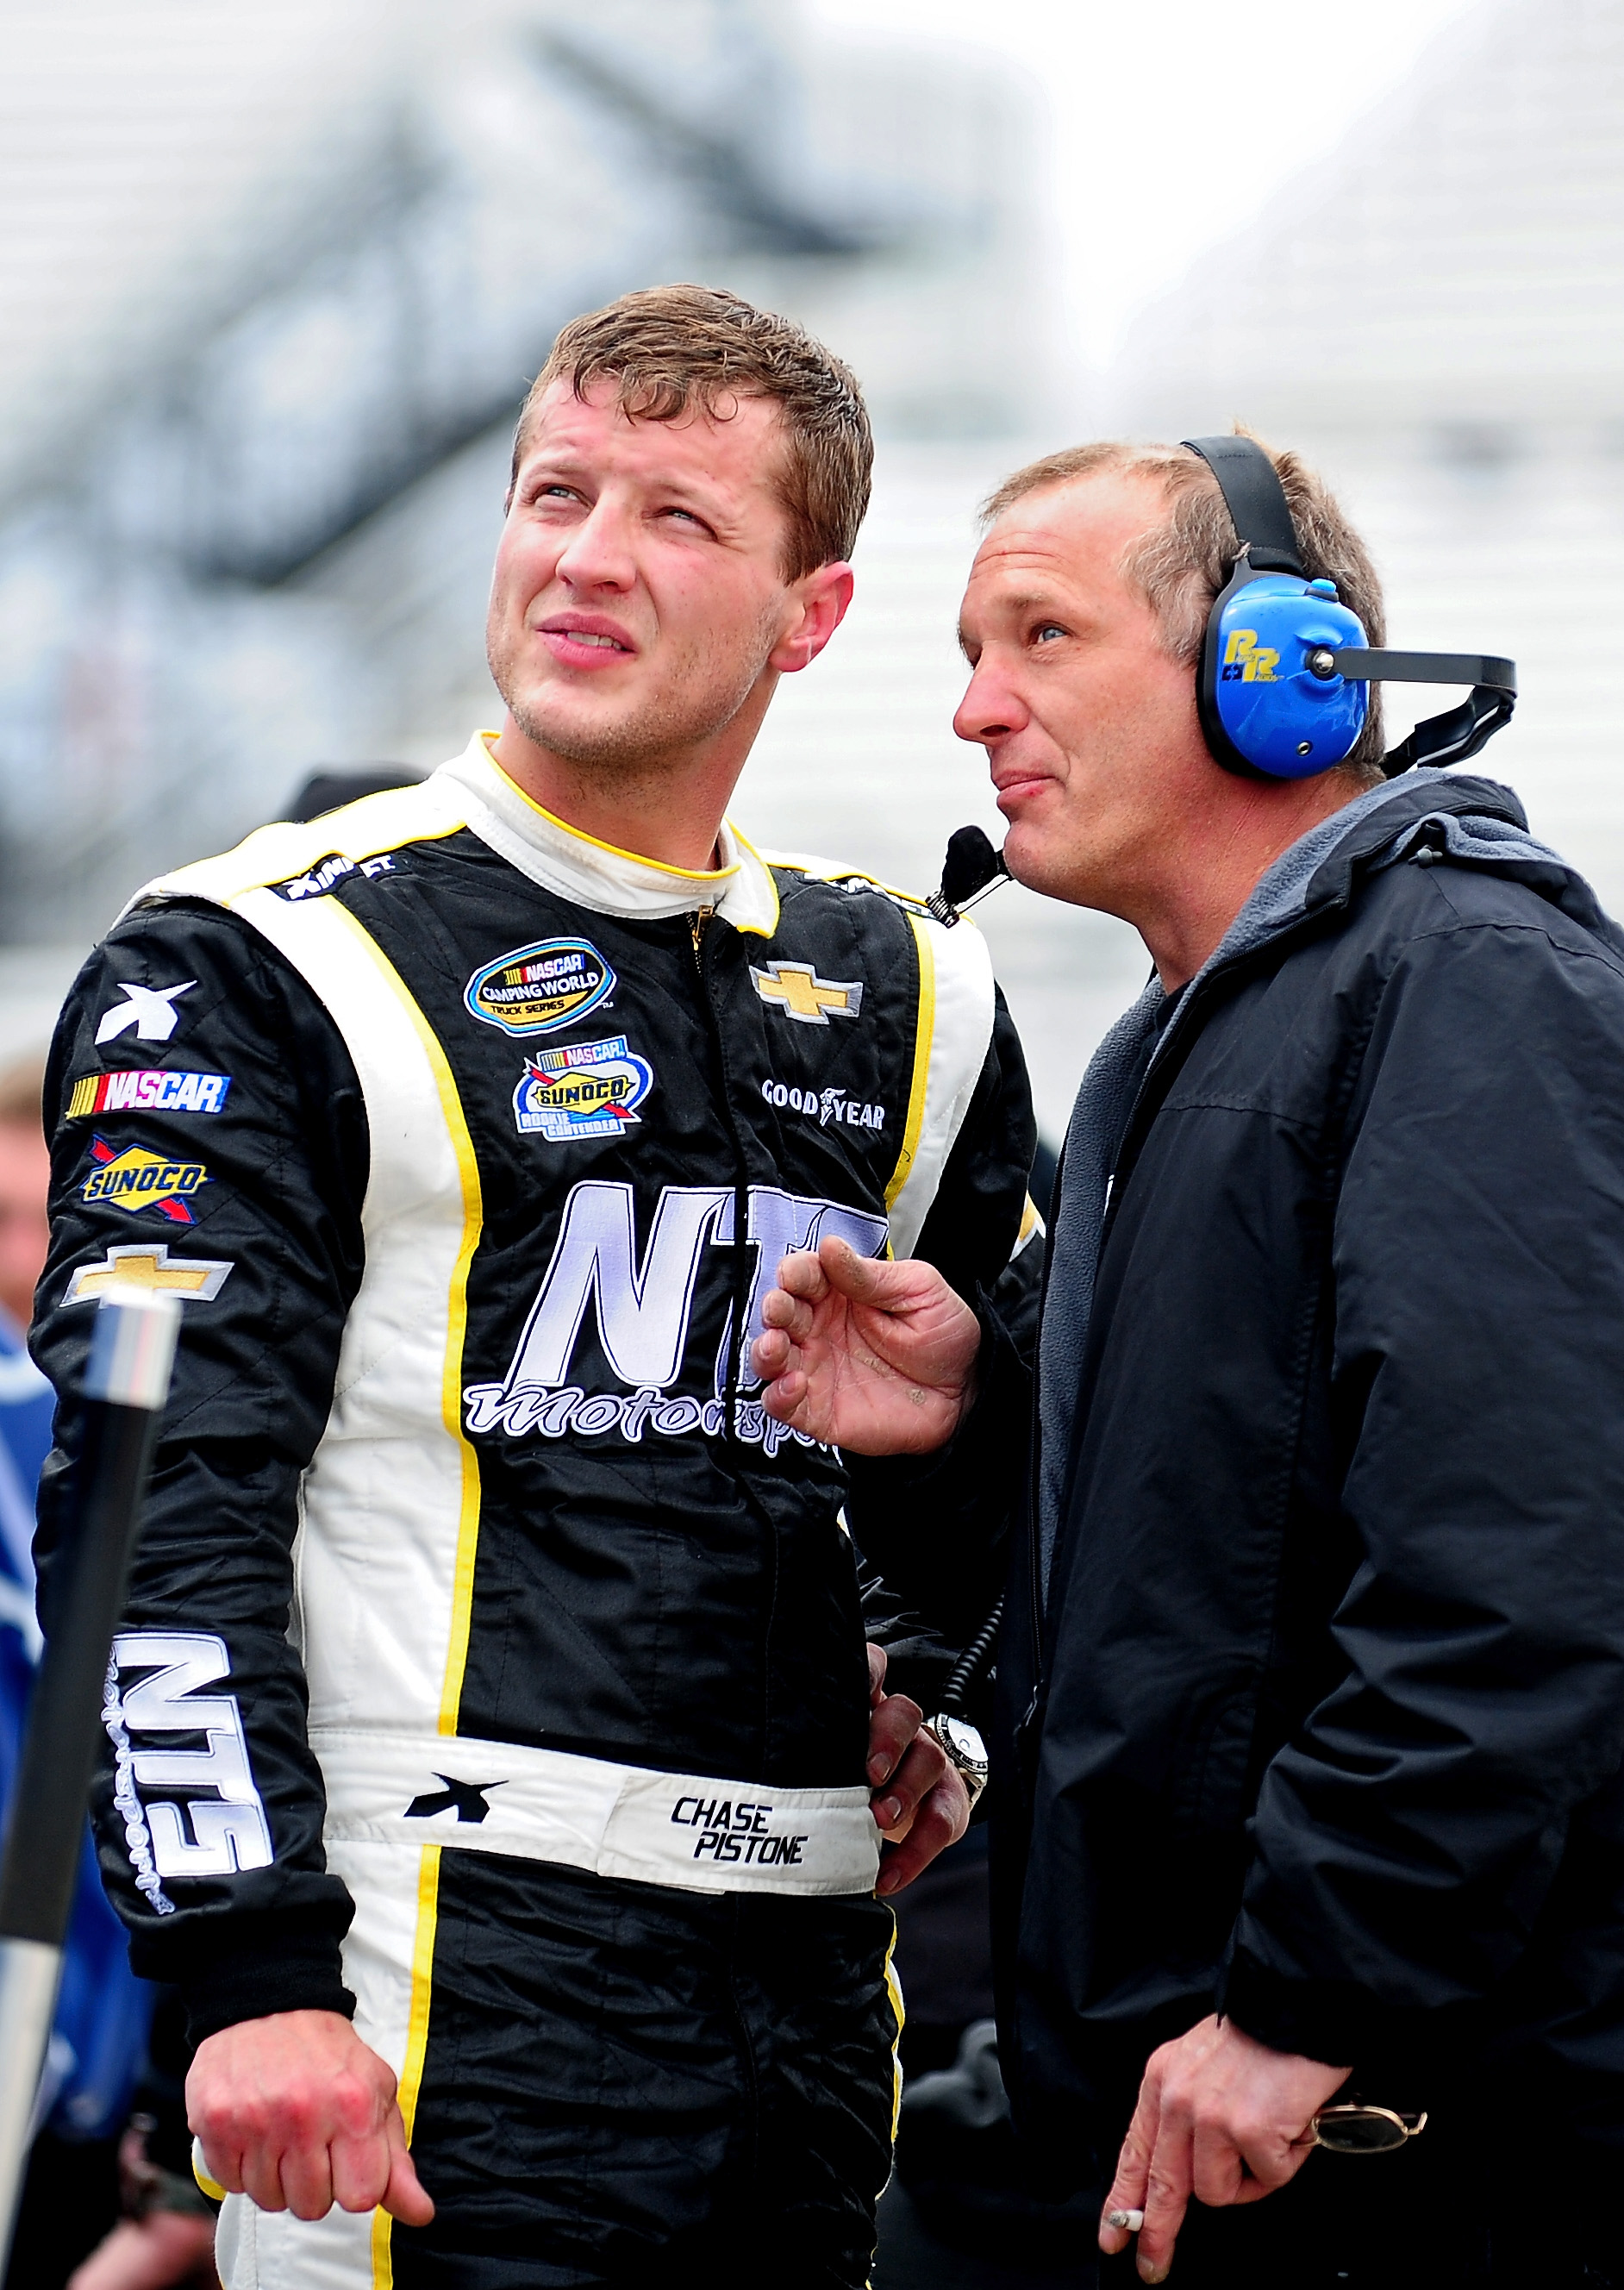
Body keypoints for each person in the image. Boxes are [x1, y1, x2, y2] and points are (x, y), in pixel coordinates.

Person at [32, 285, 1037, 2288]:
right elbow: (154, 1504)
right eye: (553, 491)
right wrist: (241, 1971)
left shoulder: (922, 987)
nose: (585, 556)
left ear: (808, 610)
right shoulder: (246, 955)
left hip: (813, 1990)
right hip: (432, 1983)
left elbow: (998, 1474)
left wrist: (938, 1691)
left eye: (675, 515)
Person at [752, 435, 1624, 2287]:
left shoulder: (1468, 975)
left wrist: (1314, 2001)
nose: (980, 708)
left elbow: (1524, 1565)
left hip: (1398, 2127)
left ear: (1282, 668)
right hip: (1208, 2115)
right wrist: (977, 1427)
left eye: (1043, 635)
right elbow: (1221, 1572)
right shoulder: (1175, 1046)